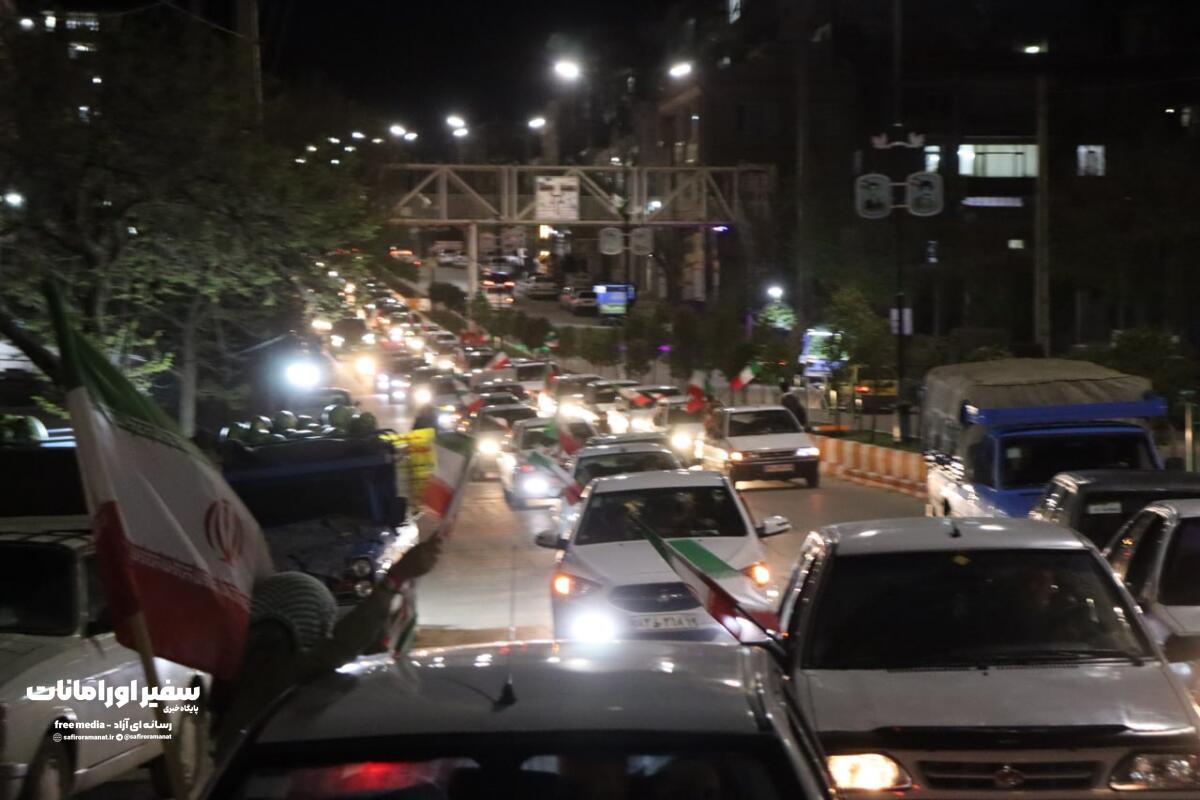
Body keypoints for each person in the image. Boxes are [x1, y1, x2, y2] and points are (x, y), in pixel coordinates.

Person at [212, 537, 441, 755]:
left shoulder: (230, 665)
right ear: (309, 619)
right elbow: (339, 647)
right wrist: (394, 580)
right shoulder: (277, 672)